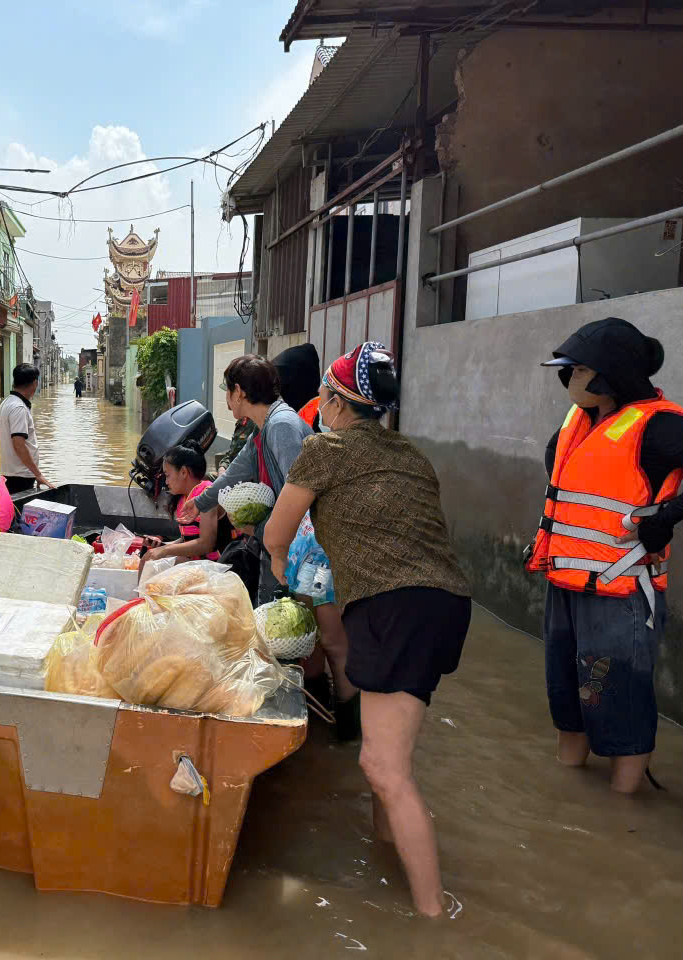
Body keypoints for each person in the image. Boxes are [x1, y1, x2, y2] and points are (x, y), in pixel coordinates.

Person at [262, 341, 471, 918]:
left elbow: (276, 536)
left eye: (323, 397)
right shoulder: (411, 456)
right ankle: (389, 858)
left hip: (391, 605)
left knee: (382, 766)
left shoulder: (324, 450)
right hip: (446, 604)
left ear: (334, 401)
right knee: (389, 758)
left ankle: (434, 915)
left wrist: (287, 579)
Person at [526, 317, 683, 793]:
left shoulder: (657, 425)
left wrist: (667, 516)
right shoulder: (580, 421)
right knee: (568, 697)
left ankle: (624, 807)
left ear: (611, 373)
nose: (571, 379)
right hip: (566, 583)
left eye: (580, 370)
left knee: (616, 701)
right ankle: (571, 796)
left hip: (621, 591)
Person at [271, 342, 357, 736]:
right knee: (317, 643)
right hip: (315, 553)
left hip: (320, 558)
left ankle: (344, 729)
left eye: (326, 399)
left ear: (338, 403)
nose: (320, 405)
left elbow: (286, 514)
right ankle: (327, 723)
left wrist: (275, 551)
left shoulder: (320, 440)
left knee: (332, 643)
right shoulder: (372, 445)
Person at [176, 355, 311, 604]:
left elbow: (300, 498)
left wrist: (260, 530)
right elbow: (238, 469)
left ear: (238, 392)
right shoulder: (264, 426)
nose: (227, 402)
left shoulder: (281, 425)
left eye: (227, 392)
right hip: (279, 542)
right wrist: (202, 502)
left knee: (282, 621)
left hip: (296, 548)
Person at [141, 443, 228, 565]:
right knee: (149, 559)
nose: (166, 481)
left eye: (167, 475)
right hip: (198, 564)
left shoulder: (206, 494)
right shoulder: (183, 499)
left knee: (151, 562)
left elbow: (206, 544)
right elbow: (188, 540)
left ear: (183, 472)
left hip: (218, 567)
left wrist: (165, 550)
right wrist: (161, 546)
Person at [0, 362, 54, 493]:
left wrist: (7, 447)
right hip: (21, 474)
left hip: (11, 471)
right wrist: (38, 474)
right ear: (34, 383)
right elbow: (19, 444)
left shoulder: (7, 402)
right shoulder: (19, 408)